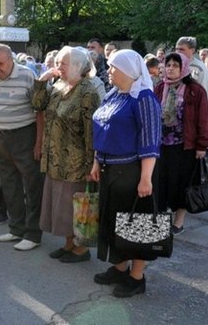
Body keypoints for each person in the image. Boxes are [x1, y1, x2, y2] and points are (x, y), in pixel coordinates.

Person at [89, 49, 162, 298]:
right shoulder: (113, 95)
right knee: (113, 221)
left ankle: (136, 277)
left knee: (137, 224)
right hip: (110, 169)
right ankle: (119, 268)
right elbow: (103, 130)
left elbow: (150, 140)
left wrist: (145, 178)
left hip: (133, 171)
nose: (109, 71)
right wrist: (97, 162)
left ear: (128, 71)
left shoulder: (143, 98)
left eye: (113, 67)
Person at [33, 46, 101, 262]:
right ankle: (69, 244)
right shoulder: (58, 86)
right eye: (58, 63)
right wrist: (42, 80)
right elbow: (37, 104)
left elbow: (92, 132)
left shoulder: (88, 92)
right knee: (61, 206)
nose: (57, 67)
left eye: (62, 63)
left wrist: (92, 164)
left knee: (75, 207)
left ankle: (81, 249)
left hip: (75, 162)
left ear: (78, 66)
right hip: (55, 159)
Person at [0, 43, 44, 252]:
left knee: (32, 185)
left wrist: (38, 142)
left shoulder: (27, 76)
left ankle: (33, 233)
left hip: (24, 135)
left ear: (11, 60)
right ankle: (16, 228)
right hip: (1, 137)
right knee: (10, 185)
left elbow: (40, 112)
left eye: (0, 63)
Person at [154, 52, 208, 234]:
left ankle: (179, 221)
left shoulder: (195, 90)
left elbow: (203, 119)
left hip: (185, 146)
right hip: (162, 145)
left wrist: (202, 145)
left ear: (183, 68)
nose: (170, 68)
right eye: (168, 65)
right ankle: (161, 216)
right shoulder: (160, 87)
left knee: (182, 184)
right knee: (161, 183)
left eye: (175, 65)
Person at [175, 36, 208, 106]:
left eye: (182, 49)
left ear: (192, 50)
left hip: (193, 108)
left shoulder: (200, 68)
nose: (178, 52)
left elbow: (206, 92)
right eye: (176, 49)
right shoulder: (172, 65)